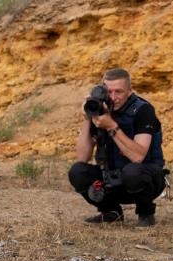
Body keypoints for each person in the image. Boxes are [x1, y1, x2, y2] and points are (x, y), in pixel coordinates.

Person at [68, 68, 165, 227]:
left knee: (132, 171)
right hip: (112, 180)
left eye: (119, 92)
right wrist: (88, 117)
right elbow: (82, 157)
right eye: (109, 92)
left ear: (130, 91)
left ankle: (145, 214)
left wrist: (111, 126)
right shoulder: (101, 110)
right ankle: (111, 213)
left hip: (145, 180)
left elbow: (138, 157)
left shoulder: (143, 110)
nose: (113, 98)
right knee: (77, 171)